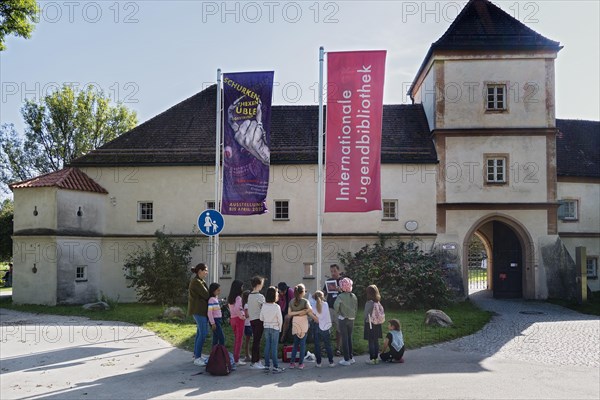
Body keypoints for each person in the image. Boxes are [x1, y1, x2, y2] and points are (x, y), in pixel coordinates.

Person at [288, 283, 316, 370]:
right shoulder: (305, 301)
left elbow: (289, 314)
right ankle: (300, 363)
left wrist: (297, 313)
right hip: (303, 322)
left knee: (295, 344)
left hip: (295, 322)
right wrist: (303, 312)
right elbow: (310, 309)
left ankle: (292, 363)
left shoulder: (292, 301)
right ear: (302, 292)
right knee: (302, 344)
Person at [187, 263, 210, 366]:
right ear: (200, 271)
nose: (207, 272)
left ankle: (196, 354)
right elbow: (206, 295)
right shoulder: (196, 282)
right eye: (205, 270)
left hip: (200, 311)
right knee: (203, 333)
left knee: (200, 333)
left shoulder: (200, 281)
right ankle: (197, 358)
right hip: (198, 311)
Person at [259, 286, 285, 373]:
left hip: (266, 327)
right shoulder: (276, 307)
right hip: (275, 328)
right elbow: (280, 320)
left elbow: (261, 318)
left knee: (267, 346)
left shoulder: (264, 306)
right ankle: (275, 366)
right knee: (274, 347)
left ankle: (266, 365)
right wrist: (280, 329)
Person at [334, 277, 358, 366]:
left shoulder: (340, 296)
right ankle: (351, 357)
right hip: (351, 318)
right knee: (349, 338)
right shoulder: (354, 296)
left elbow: (336, 306)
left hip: (343, 319)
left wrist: (338, 313)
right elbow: (356, 307)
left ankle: (346, 359)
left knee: (344, 338)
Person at [323, 264, 344, 354]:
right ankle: (326, 346)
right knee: (327, 328)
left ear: (339, 271)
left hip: (340, 309)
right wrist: (320, 294)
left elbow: (348, 292)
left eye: (335, 271)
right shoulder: (329, 281)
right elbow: (324, 292)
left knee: (339, 329)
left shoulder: (343, 281)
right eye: (331, 271)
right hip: (330, 308)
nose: (333, 273)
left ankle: (338, 348)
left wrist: (340, 290)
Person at [312, 290, 335, 368]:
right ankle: (331, 362)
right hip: (325, 326)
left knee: (317, 345)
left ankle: (318, 363)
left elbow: (313, 315)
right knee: (328, 344)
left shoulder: (313, 306)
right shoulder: (326, 304)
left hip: (317, 326)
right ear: (323, 297)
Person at [247, 276, 266, 369]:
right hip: (259, 320)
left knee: (255, 340)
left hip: (252, 320)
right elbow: (264, 308)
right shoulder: (260, 296)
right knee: (257, 341)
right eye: (262, 284)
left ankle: (255, 360)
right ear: (258, 285)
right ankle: (255, 361)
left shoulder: (249, 295)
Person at [364, 284, 384, 365]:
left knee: (371, 342)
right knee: (376, 341)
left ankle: (372, 358)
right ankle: (376, 358)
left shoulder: (369, 303)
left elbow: (366, 314)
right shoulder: (378, 302)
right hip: (377, 324)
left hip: (370, 324)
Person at [227, 280, 246, 365]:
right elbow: (237, 308)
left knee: (236, 339)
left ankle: (235, 358)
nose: (242, 288)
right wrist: (242, 316)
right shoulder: (238, 298)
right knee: (239, 340)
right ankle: (236, 359)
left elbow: (233, 309)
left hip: (232, 319)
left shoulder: (231, 297)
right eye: (242, 286)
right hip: (238, 320)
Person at [242, 290, 252, 362]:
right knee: (247, 341)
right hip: (247, 324)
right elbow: (247, 315)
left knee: (248, 341)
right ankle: (247, 355)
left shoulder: (245, 304)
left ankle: (248, 354)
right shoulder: (247, 305)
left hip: (247, 324)